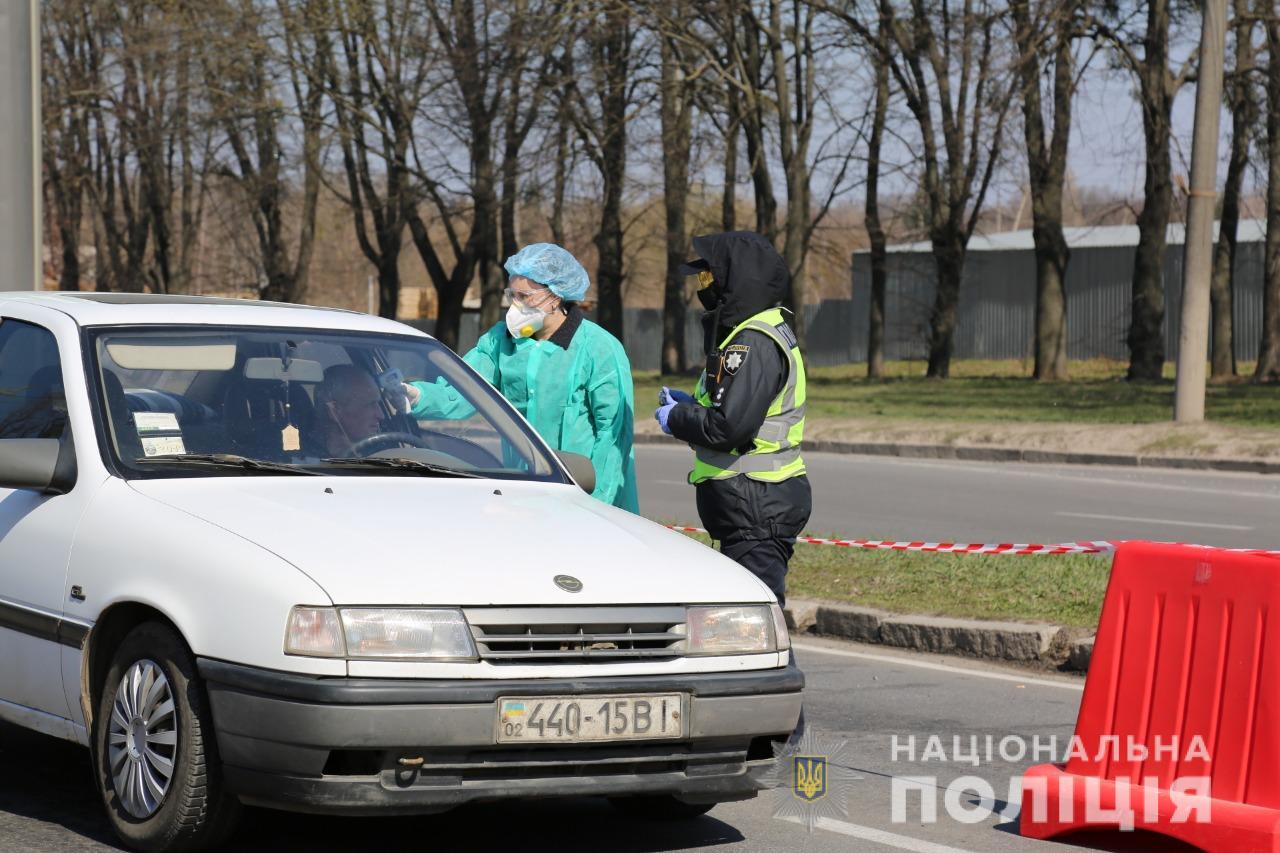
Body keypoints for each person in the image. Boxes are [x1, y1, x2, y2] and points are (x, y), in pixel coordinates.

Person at [404, 243, 639, 513]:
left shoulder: (598, 348)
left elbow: (612, 435)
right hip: (524, 490)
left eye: (525, 296)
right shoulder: (499, 340)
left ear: (555, 296)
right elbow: (463, 390)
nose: (516, 305)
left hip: (584, 494)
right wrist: (419, 396)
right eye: (511, 295)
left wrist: (595, 506)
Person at [654, 231, 811, 604]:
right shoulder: (752, 331)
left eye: (708, 276)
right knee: (746, 622)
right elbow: (734, 407)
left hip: (756, 503)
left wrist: (677, 418)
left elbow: (729, 427)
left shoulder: (753, 340)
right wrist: (691, 405)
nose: (702, 286)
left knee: (755, 621)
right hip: (752, 504)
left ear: (735, 278)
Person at [310, 364, 385, 457]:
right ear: (335, 411)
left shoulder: (383, 450)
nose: (381, 415)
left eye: (378, 404)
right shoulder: (303, 461)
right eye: (369, 405)